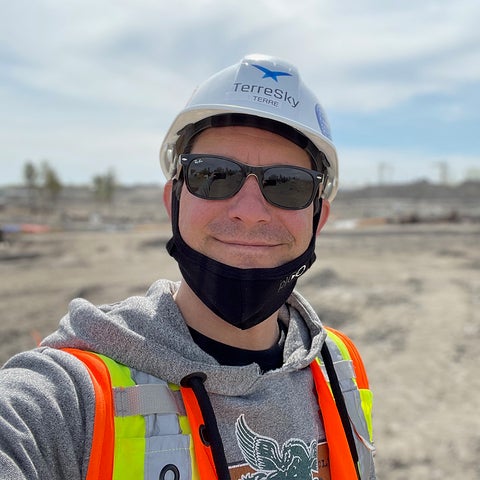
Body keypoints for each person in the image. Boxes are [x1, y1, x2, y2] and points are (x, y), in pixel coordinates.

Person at [0, 54, 375, 479]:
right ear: (172, 202)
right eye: (214, 175)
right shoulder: (71, 398)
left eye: (287, 184)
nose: (250, 211)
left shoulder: (339, 365)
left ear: (318, 220)